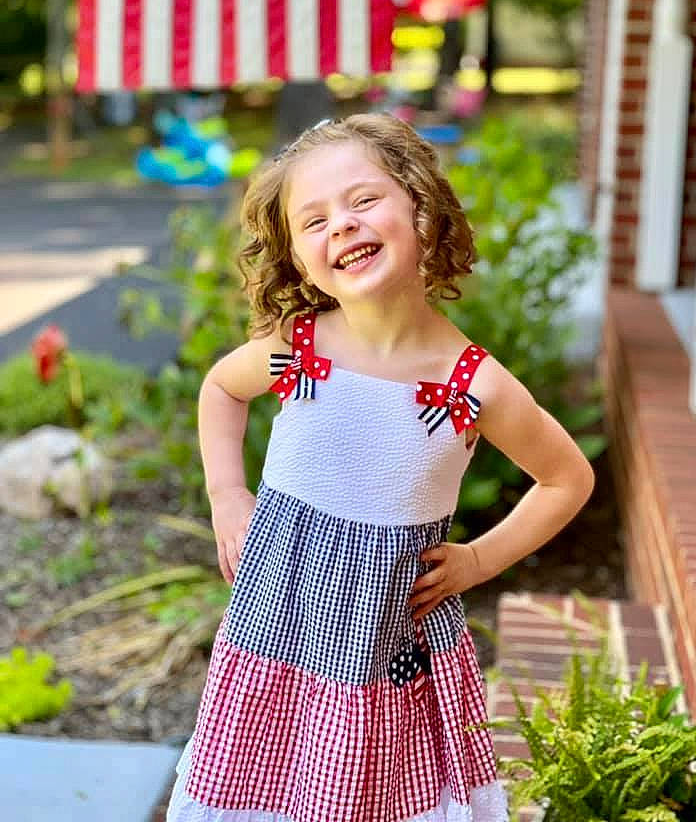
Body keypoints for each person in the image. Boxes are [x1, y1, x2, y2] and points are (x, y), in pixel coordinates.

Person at [166, 113, 595, 822]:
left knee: (369, 797)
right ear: (300, 260)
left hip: (383, 645)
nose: (342, 224)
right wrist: (226, 495)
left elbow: (567, 478)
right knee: (260, 788)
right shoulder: (299, 348)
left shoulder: (472, 383)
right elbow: (220, 389)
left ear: (420, 209)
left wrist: (480, 561)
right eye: (314, 220)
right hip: (277, 628)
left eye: (363, 201)